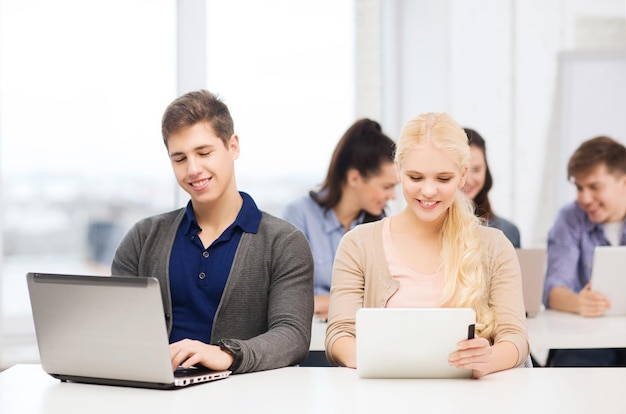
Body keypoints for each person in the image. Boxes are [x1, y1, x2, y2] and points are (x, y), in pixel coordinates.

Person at [111, 89, 314, 374]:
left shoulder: (283, 242)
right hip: (155, 394)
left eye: (204, 153)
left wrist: (227, 354)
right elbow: (117, 327)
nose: (193, 169)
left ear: (233, 146)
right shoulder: (143, 237)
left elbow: (292, 336)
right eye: (179, 159)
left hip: (241, 397)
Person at [325, 112, 529, 378]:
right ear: (398, 170)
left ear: (463, 175)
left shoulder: (494, 246)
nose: (429, 191)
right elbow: (339, 335)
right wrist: (387, 360)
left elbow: (515, 338)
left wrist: (489, 358)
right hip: (384, 396)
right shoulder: (358, 244)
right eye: (416, 178)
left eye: (443, 179)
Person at [282, 118, 397, 320]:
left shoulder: (380, 227)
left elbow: (384, 300)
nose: (393, 196)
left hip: (359, 337)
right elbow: (288, 299)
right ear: (354, 178)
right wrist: (349, 303)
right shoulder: (299, 215)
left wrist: (328, 302)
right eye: (387, 187)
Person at [543, 135, 626, 367]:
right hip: (587, 337)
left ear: (624, 183)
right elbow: (553, 290)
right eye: (579, 187)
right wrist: (579, 302)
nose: (584, 198)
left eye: (594, 187)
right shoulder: (569, 219)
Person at [462, 128, 521, 247]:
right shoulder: (429, 230)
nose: (468, 180)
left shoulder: (508, 232)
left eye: (476, 170)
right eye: (462, 170)